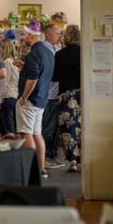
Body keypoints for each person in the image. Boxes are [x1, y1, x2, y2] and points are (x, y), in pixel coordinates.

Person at [16, 20, 55, 178]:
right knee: (37, 133)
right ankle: (41, 169)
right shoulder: (48, 52)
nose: (23, 36)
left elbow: (33, 79)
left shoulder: (33, 53)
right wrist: (24, 67)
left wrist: (24, 96)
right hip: (42, 99)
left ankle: (30, 171)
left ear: (32, 35)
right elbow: (41, 73)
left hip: (31, 100)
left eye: (24, 33)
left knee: (27, 134)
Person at [52, 25, 81, 173]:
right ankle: (85, 158)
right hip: (82, 96)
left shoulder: (60, 54)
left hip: (65, 96)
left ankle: (73, 162)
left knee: (68, 129)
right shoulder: (84, 52)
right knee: (82, 128)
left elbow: (54, 77)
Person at [41, 23, 65, 169]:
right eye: (57, 33)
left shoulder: (57, 49)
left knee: (56, 129)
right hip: (48, 95)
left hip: (57, 95)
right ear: (48, 34)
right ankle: (46, 157)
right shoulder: (45, 50)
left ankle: (53, 155)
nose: (59, 36)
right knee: (48, 128)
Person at [0, 39, 20, 136]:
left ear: (4, 49)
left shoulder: (6, 62)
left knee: (8, 131)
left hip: (7, 97)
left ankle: (12, 150)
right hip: (13, 96)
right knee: (12, 128)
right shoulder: (14, 62)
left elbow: (4, 83)